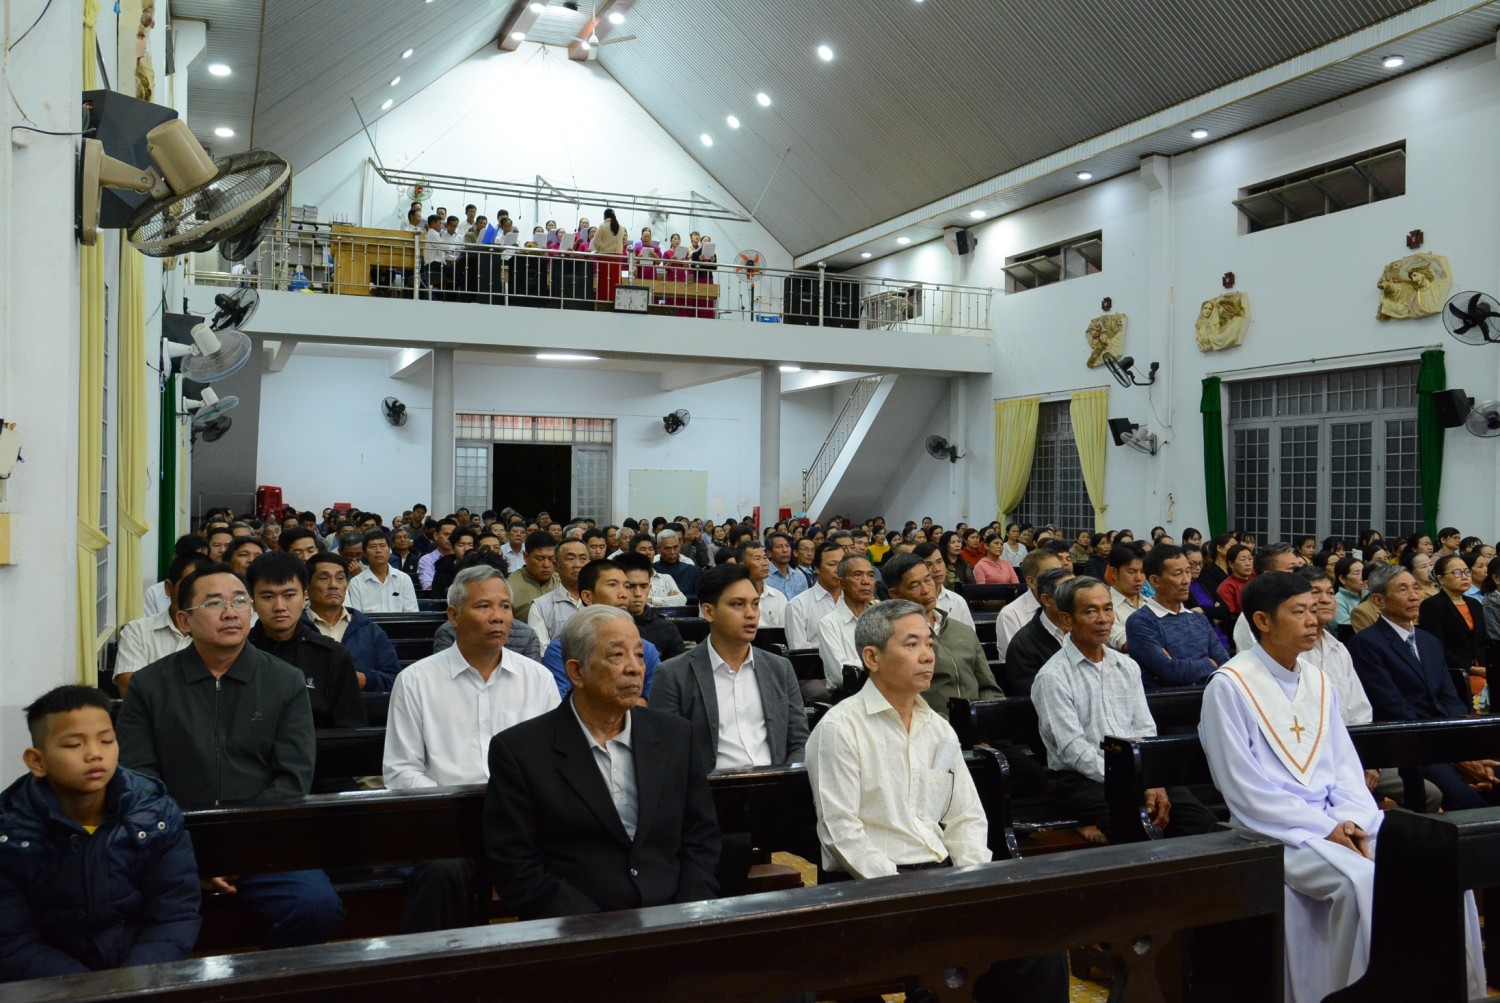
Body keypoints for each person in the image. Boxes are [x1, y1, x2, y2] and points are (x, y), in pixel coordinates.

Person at [1200, 571, 1484, 1002]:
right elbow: (1242, 786)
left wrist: (1352, 819)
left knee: (1440, 859)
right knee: (1361, 880)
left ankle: (1448, 990)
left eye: (1314, 610)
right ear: (1262, 620)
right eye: (1299, 612)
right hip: (1277, 830)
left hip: (1341, 820)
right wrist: (1324, 827)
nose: (1313, 620)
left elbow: (1345, 768)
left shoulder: (1318, 681)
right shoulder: (1230, 685)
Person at [805, 600, 1068, 1002]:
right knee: (949, 968)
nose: (927, 655)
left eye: (929, 643)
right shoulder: (841, 729)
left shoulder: (939, 731)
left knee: (1041, 946)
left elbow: (965, 816)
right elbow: (841, 831)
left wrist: (969, 880)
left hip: (943, 878)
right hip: (870, 888)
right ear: (872, 657)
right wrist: (906, 892)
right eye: (911, 644)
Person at [115, 564, 344, 948]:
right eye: (214, 603)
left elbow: (292, 778)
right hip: (172, 842)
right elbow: (140, 780)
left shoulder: (284, 680)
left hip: (262, 842)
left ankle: (263, 976)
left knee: (316, 907)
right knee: (118, 909)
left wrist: (238, 850)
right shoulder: (150, 685)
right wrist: (192, 852)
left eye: (239, 601)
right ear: (184, 621)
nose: (230, 612)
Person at [482, 605, 721, 919]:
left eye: (639, 655)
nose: (635, 668)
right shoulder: (520, 750)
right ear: (577, 672)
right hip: (576, 924)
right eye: (617, 655)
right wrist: (594, 929)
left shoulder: (676, 736)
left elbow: (701, 838)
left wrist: (689, 912)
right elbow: (516, 864)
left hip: (674, 915)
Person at [384, 565, 559, 932]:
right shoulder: (416, 681)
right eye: (484, 606)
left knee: (573, 861)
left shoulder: (537, 678)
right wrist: (454, 808)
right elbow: (401, 770)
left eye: (505, 606)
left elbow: (554, 760)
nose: (498, 617)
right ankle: (426, 963)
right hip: (449, 824)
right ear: (454, 616)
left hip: (523, 823)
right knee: (440, 871)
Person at [0, 686, 200, 981]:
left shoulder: (154, 813)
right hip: (52, 984)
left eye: (107, 740)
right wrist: (89, 988)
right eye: (73, 745)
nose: (95, 754)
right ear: (37, 761)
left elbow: (174, 914)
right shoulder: (10, 831)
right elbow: (12, 943)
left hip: (143, 977)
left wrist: (131, 982)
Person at [1032, 577, 1220, 844]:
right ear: (1066, 620)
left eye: (1108, 609)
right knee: (1137, 830)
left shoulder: (1126, 666)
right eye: (1090, 611)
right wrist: (1132, 779)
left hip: (1138, 770)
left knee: (1203, 825)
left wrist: (1151, 778)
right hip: (1083, 778)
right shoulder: (1053, 676)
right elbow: (1073, 750)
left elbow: (1144, 727)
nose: (1103, 619)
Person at [1349, 562, 1499, 811]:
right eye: (1403, 589)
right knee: (1469, 802)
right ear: (1379, 600)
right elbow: (1393, 708)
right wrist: (1455, 757)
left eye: (1415, 588)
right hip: (1411, 746)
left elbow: (1450, 699)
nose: (1414, 596)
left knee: (1493, 777)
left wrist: (1468, 748)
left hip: (1449, 739)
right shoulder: (1366, 644)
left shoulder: (1429, 641)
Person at [651, 563, 808, 770]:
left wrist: (786, 781)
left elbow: (799, 741)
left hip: (774, 783)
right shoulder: (673, 674)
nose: (751, 614)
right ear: (708, 612)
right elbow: (667, 752)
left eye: (755, 604)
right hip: (710, 786)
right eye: (738, 604)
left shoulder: (780, 668)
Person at [245, 553, 365, 728]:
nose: (279, 607)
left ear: (304, 598)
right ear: (253, 602)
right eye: (268, 597)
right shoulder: (237, 652)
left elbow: (350, 728)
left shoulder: (333, 655)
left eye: (289, 595)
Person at [541, 559, 661, 699]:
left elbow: (656, 703)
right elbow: (560, 702)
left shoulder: (645, 649)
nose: (624, 594)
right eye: (612, 585)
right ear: (587, 597)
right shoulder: (561, 649)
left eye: (626, 586)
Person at [1125, 544, 1228, 688]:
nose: (1186, 580)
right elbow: (1170, 671)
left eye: (1188, 571)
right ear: (1155, 581)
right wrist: (1209, 663)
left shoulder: (1198, 619)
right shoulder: (1141, 622)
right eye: (1177, 574)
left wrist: (1182, 665)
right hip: (1170, 700)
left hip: (1211, 695)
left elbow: (1225, 664)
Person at [113, 554, 212, 695]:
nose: (197, 594)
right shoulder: (138, 631)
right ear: (168, 587)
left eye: (207, 589)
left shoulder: (222, 632)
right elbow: (129, 687)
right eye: (189, 585)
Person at [1419, 554, 1487, 696]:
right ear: (1440, 579)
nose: (1464, 576)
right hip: (1455, 674)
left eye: (1467, 571)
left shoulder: (1474, 604)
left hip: (1483, 670)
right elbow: (1437, 646)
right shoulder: (1432, 606)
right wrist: (1470, 668)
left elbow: (1482, 640)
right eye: (1457, 573)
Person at [817, 554, 879, 690]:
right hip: (850, 695)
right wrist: (880, 663)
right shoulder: (828, 624)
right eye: (858, 575)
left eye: (870, 575)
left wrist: (857, 664)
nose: (866, 581)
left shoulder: (883, 618)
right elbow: (841, 675)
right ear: (841, 583)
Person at [616, 551, 687, 660]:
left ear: (650, 588)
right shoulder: (603, 626)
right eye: (630, 586)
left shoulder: (667, 628)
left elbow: (678, 668)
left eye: (643, 586)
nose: (638, 593)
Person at [996, 549, 1064, 660]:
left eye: (1061, 572)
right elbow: (1017, 660)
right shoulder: (1010, 615)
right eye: (1052, 575)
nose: (1060, 580)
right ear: (1031, 582)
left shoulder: (1070, 606)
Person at [527, 538, 589, 648]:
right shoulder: (541, 606)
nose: (577, 564)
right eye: (570, 558)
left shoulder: (602, 600)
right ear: (556, 566)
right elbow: (541, 650)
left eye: (583, 558)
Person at [786, 542, 844, 653]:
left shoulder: (855, 601)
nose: (838, 570)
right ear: (817, 568)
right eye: (832, 564)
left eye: (842, 564)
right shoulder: (798, 605)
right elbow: (800, 652)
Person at [347, 528, 419, 613]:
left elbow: (411, 613)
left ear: (389, 551)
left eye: (382, 546)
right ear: (365, 554)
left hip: (400, 622)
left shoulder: (403, 579)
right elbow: (356, 616)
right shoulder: (356, 582)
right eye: (373, 547)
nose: (378, 550)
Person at [916, 541, 975, 629]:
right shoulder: (915, 602)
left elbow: (970, 634)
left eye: (939, 561)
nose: (936, 569)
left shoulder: (957, 601)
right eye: (928, 565)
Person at [507, 531, 560, 623]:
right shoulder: (509, 585)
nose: (546, 565)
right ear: (525, 557)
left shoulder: (561, 582)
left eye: (551, 559)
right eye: (540, 559)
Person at [653, 529, 698, 597]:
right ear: (658, 549)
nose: (672, 552)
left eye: (675, 547)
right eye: (667, 549)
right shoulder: (652, 570)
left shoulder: (691, 570)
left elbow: (698, 597)